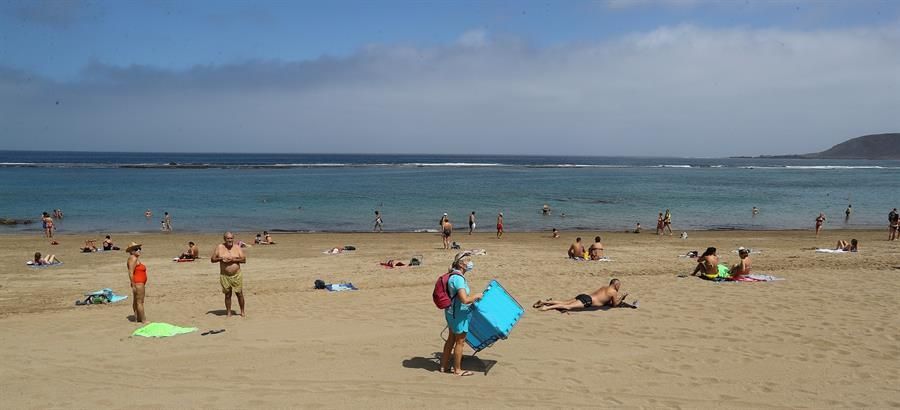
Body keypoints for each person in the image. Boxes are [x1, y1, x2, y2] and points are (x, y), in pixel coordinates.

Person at [439, 251, 483, 377]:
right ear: (462, 264)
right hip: (458, 314)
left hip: (450, 312)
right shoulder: (458, 279)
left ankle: (443, 365)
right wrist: (477, 296)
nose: (470, 263)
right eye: (468, 261)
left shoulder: (453, 275)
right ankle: (457, 370)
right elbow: (464, 299)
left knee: (451, 339)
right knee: (460, 342)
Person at [535, 279, 636, 312]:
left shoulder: (604, 287)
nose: (619, 287)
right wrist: (622, 297)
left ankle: (545, 301)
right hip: (588, 301)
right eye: (619, 285)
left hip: (584, 296)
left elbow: (604, 298)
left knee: (564, 302)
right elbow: (614, 304)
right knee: (568, 306)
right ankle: (546, 308)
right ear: (615, 285)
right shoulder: (613, 292)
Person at [211, 232, 246, 317]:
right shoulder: (220, 247)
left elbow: (244, 260)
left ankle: (242, 311)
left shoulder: (237, 247)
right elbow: (212, 259)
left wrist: (233, 260)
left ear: (233, 239)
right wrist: (221, 259)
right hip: (224, 275)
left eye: (231, 238)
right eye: (228, 238)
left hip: (236, 275)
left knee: (239, 293)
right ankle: (229, 312)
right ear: (224, 239)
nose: (230, 240)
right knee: (227, 294)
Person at [126, 242, 146, 323]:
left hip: (139, 282)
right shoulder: (133, 258)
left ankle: (137, 318)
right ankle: (143, 320)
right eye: (136, 249)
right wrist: (133, 285)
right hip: (138, 283)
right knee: (140, 302)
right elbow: (130, 272)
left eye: (139, 248)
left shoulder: (134, 258)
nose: (138, 250)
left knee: (136, 301)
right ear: (131, 251)